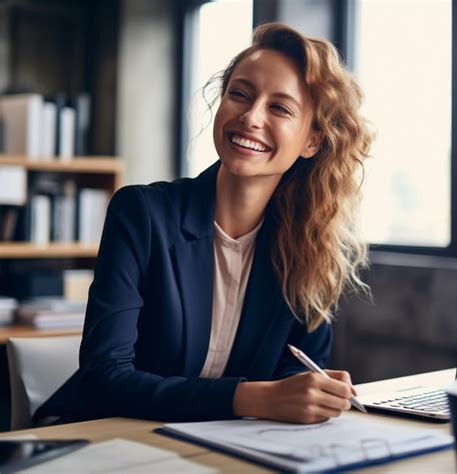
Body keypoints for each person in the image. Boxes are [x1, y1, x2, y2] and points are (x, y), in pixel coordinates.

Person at [36, 22, 373, 425]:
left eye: (279, 108)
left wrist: (310, 393)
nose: (250, 117)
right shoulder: (141, 214)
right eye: (240, 95)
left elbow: (294, 371)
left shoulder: (309, 243)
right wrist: (253, 398)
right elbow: (104, 378)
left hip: (220, 447)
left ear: (312, 141)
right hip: (101, 437)